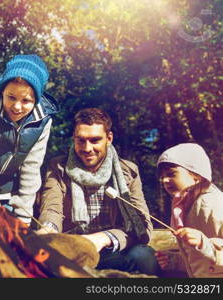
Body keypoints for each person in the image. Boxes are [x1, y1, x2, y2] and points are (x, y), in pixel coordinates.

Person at [37, 108, 158, 275]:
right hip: (73, 249)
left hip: (113, 249)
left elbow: (143, 226)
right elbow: (52, 208)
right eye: (81, 141)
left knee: (144, 257)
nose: (87, 148)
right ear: (74, 138)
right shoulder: (57, 168)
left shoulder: (128, 172)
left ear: (109, 138)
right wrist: (48, 228)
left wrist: (103, 238)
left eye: (95, 140)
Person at [0, 54, 59, 225]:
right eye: (11, 97)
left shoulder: (43, 123)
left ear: (36, 100)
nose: (17, 107)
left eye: (26, 100)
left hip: (13, 195)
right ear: (2, 91)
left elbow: (31, 169)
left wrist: (24, 217)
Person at [155, 143, 223, 277]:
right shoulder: (186, 207)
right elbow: (201, 259)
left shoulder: (212, 204)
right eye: (162, 177)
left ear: (196, 175)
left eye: (171, 174)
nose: (165, 180)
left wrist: (203, 243)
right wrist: (175, 261)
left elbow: (209, 251)